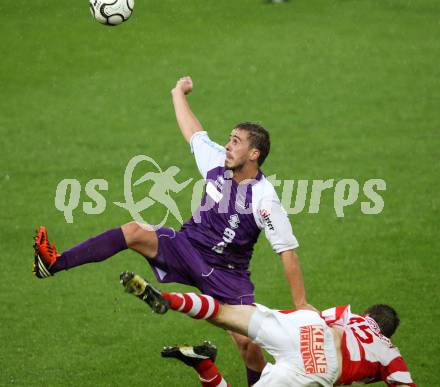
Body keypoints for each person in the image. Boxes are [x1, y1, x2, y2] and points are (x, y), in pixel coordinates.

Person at [33, 76, 312, 386]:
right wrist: (178, 92)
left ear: (254, 154)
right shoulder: (219, 162)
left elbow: (287, 252)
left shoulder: (264, 198)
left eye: (236, 141)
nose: (228, 145)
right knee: (134, 231)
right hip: (187, 247)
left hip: (228, 274)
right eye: (230, 139)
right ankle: (55, 263)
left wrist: (300, 303)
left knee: (248, 344)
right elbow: (193, 133)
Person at [120, 271, 416, 387]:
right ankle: (205, 366)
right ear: (387, 333)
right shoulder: (391, 354)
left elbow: (312, 315)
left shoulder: (350, 315)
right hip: (319, 365)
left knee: (224, 312)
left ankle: (167, 299)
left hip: (310, 328)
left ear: (368, 315)